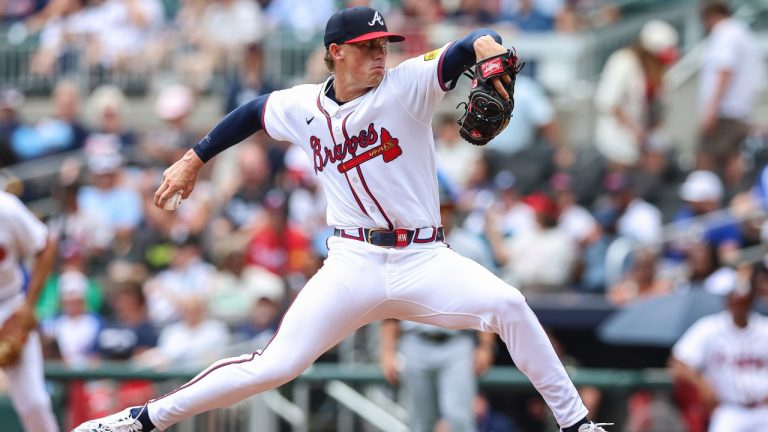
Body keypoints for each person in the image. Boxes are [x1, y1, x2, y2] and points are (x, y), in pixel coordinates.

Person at [74, 7, 610, 432]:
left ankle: (578, 425)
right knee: (275, 365)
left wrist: (492, 50)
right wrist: (194, 159)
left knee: (508, 304)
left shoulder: (408, 85)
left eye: (383, 46)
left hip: (423, 257)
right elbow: (251, 113)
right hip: (352, 262)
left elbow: (473, 44)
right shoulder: (303, 105)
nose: (380, 55)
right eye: (367, 48)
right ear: (336, 53)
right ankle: (142, 420)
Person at [379, 181, 497, 432]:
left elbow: (488, 301)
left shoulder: (471, 248)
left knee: (460, 419)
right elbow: (392, 305)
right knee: (419, 423)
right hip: (415, 343)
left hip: (457, 343)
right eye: (438, 207)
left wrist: (486, 346)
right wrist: (388, 351)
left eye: (447, 207)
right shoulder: (408, 246)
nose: (442, 213)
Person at [669, 263, 768, 432]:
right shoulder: (709, 328)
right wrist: (703, 386)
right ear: (727, 300)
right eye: (734, 298)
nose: (738, 303)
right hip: (730, 410)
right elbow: (677, 363)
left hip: (763, 410)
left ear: (751, 300)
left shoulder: (764, 328)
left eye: (743, 299)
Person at [0, 189, 59, 432]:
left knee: (34, 402)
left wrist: (29, 306)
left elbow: (45, 245)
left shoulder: (6, 208)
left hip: (9, 305)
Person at [594, 19, 678, 171]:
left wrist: (651, 138)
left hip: (641, 139)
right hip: (617, 137)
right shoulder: (623, 61)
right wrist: (636, 132)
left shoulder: (656, 72)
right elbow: (608, 102)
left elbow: (657, 107)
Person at [697, 1, 763, 189]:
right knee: (734, 162)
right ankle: (734, 202)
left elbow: (725, 71)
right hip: (739, 110)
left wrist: (711, 110)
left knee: (705, 161)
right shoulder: (741, 32)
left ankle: (710, 208)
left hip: (725, 111)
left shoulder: (725, 33)